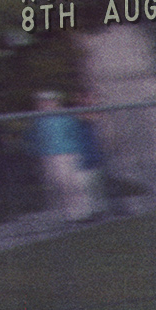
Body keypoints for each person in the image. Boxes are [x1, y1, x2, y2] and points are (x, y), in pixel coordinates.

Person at [31, 89, 106, 222]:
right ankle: (72, 215)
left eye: (51, 101)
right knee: (62, 185)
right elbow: (33, 139)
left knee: (77, 184)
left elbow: (86, 121)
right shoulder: (38, 120)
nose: (48, 104)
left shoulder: (66, 116)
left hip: (71, 153)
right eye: (44, 102)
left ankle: (85, 213)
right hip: (51, 156)